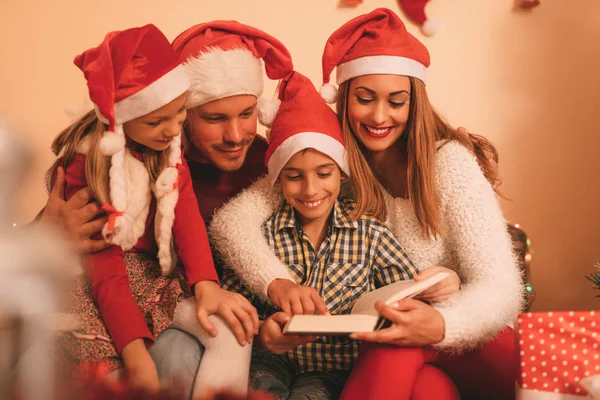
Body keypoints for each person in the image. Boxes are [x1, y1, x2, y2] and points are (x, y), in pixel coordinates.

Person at [209, 8, 523, 400]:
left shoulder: (448, 161)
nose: (379, 115)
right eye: (364, 98)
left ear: (414, 104)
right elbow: (231, 224)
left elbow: (501, 288)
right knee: (429, 390)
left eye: (396, 101)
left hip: (478, 341)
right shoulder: (329, 164)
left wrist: (441, 324)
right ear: (345, 98)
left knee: (388, 338)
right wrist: (278, 283)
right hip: (415, 355)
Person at [40, 21, 294, 398]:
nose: (237, 135)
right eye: (213, 118)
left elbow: (189, 224)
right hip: (107, 293)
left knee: (219, 333)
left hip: (166, 289)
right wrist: (135, 351)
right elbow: (97, 266)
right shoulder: (98, 165)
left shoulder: (269, 165)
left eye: (247, 113)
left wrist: (210, 287)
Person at [221, 70, 459, 400]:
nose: (310, 189)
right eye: (294, 177)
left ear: (342, 172)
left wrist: (443, 284)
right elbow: (235, 309)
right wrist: (264, 334)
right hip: (270, 362)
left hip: (333, 370)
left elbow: (407, 291)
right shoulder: (262, 239)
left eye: (324, 173)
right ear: (277, 179)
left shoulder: (370, 233)